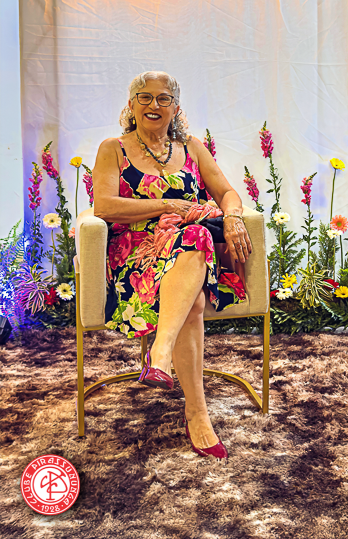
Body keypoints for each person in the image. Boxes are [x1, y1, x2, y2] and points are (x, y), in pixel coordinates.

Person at [92, 71, 252, 461]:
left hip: (192, 252)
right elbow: (104, 206)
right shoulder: (113, 149)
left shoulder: (192, 147)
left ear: (175, 107)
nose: (154, 105)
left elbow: (227, 192)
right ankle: (196, 412)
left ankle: (161, 355)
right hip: (138, 257)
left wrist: (233, 218)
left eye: (164, 98)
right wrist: (167, 205)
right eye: (145, 97)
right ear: (131, 105)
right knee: (193, 302)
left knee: (194, 236)